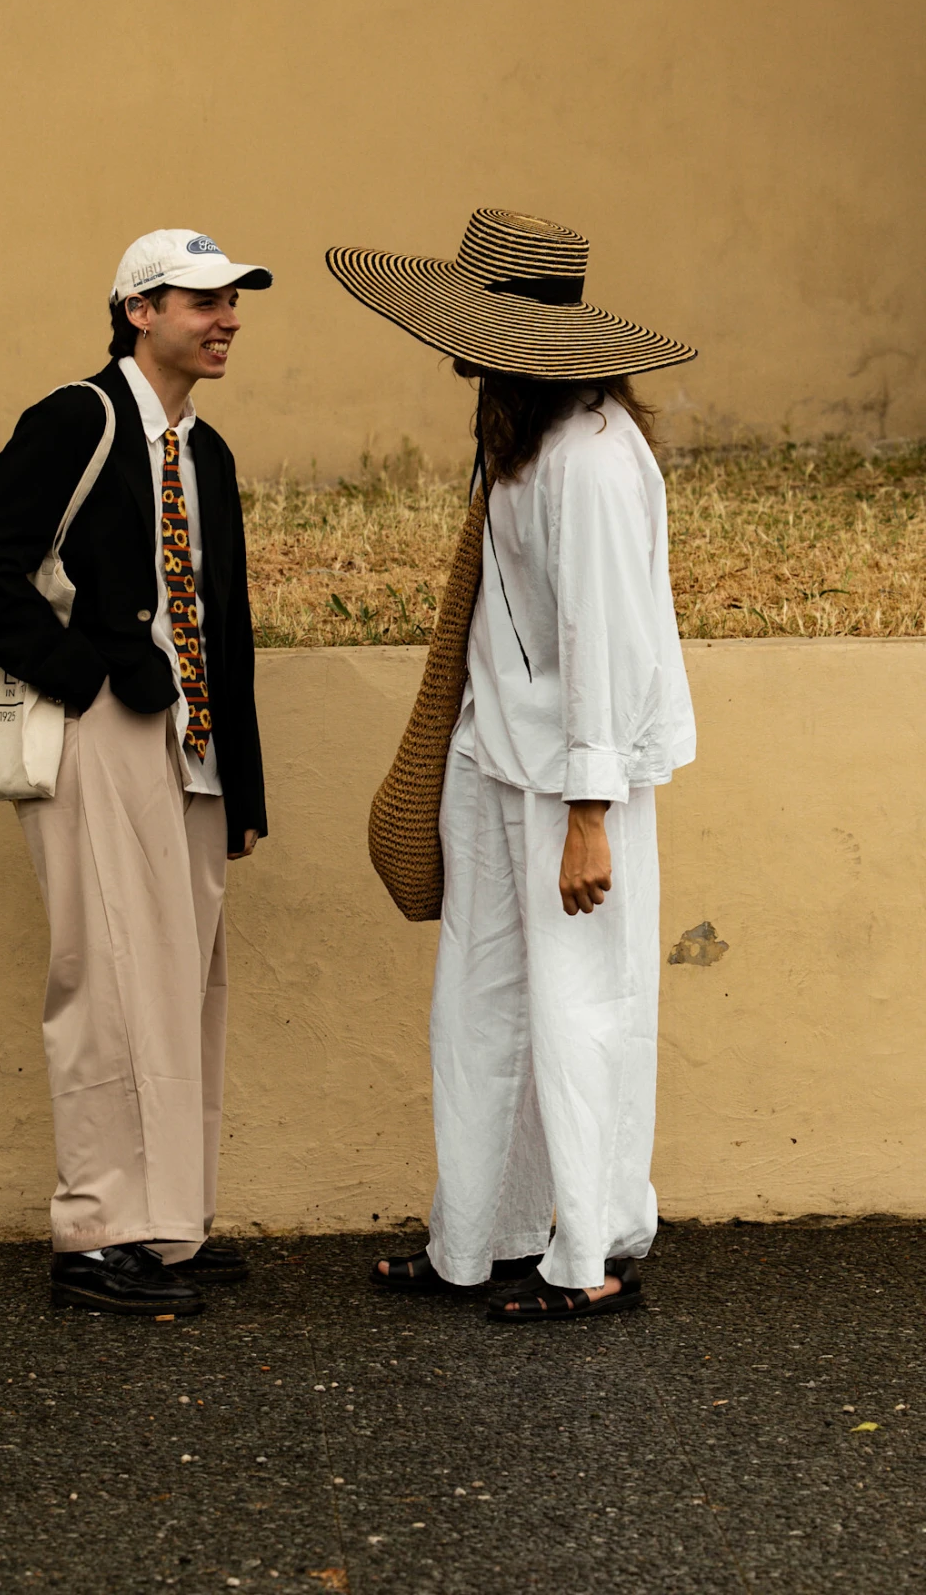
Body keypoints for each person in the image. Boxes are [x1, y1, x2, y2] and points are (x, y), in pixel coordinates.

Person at [326, 208, 696, 1321]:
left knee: (582, 1008)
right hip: (494, 763)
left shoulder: (588, 460)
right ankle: (473, 1240)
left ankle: (585, 1257)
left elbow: (601, 639)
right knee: (478, 1003)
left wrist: (591, 807)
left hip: (567, 784)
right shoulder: (523, 442)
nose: (453, 349)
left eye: (471, 327)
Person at [0, 228, 271, 1317]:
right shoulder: (78, 419)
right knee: (109, 981)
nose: (224, 319)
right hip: (106, 729)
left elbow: (225, 625)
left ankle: (169, 1222)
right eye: (200, 301)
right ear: (138, 309)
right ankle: (97, 1235)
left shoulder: (205, 452)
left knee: (186, 985)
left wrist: (245, 785)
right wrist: (81, 679)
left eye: (232, 302)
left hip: (196, 745)